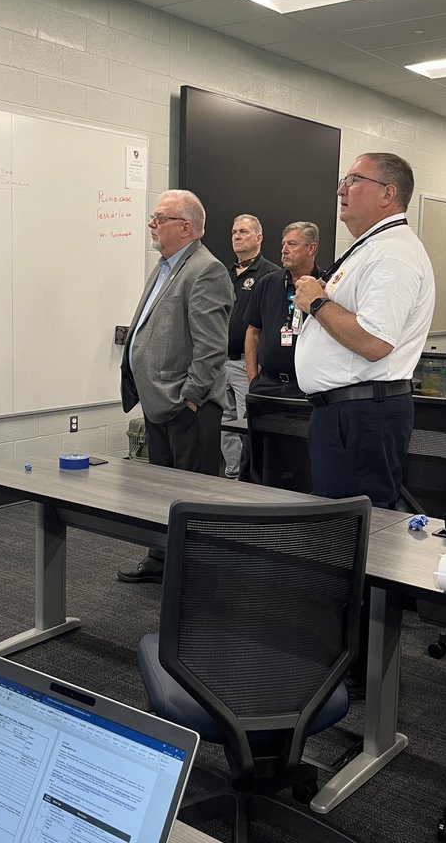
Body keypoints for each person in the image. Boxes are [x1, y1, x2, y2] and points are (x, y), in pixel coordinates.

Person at [294, 153, 434, 507]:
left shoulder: (393, 254)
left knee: (351, 532)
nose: (342, 189)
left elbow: (374, 342)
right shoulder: (372, 248)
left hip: (359, 416)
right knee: (334, 527)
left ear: (387, 194)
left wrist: (317, 303)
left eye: (354, 180)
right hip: (345, 413)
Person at [118, 189, 233, 583]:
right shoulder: (166, 266)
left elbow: (212, 347)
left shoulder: (206, 270)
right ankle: (162, 560)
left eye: (159, 218)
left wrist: (191, 397)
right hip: (159, 401)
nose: (152, 224)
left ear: (185, 227)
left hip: (188, 406)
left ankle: (196, 574)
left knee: (192, 495)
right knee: (160, 491)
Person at [221, 214, 279, 478]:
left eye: (243, 232)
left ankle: (250, 480)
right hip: (220, 362)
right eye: (234, 232)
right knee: (225, 426)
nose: (237, 236)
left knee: (249, 425)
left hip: (247, 363)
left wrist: (254, 368)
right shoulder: (224, 272)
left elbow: (268, 324)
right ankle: (232, 476)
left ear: (259, 237)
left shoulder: (271, 274)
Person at [244, 222, 321, 399]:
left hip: (307, 388)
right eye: (283, 244)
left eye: (292, 244)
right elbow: (253, 332)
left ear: (311, 249)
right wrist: (252, 378)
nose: (284, 250)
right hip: (266, 386)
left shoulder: (325, 285)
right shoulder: (267, 283)